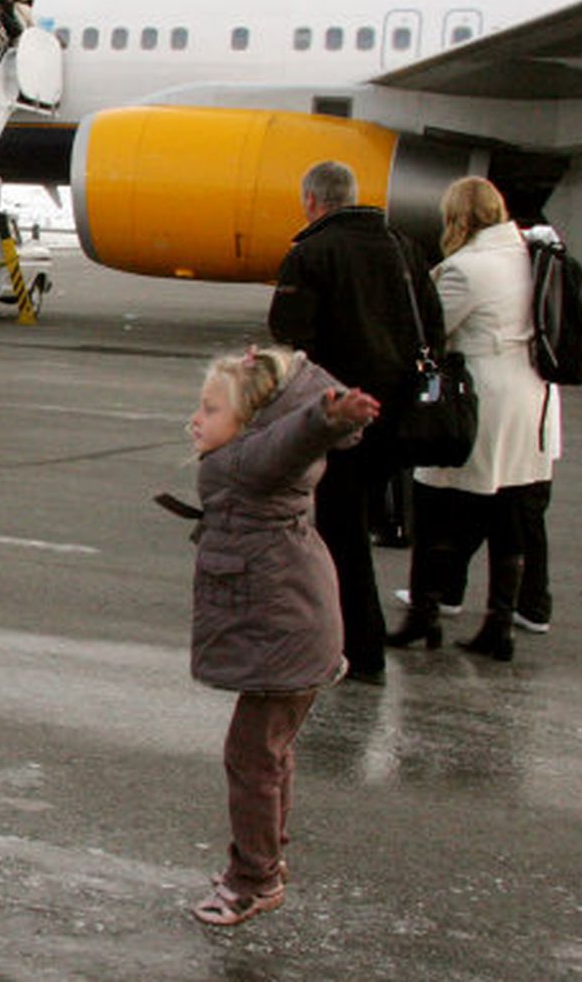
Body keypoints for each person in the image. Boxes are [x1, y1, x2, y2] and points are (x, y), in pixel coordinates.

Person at [184, 346, 379, 927]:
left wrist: (323, 419)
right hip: (294, 625)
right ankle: (265, 860)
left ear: (249, 425)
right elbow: (285, 435)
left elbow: (287, 441)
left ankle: (255, 878)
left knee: (252, 757)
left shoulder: (255, 459)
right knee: (267, 753)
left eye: (211, 409)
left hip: (287, 631)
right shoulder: (249, 457)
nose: (197, 419)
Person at [267, 160, 440, 685]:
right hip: (400, 411)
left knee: (339, 534)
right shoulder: (404, 247)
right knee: (378, 520)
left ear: (313, 202)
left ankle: (358, 650)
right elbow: (433, 324)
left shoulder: (311, 254)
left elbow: (290, 337)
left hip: (339, 414)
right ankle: (415, 617)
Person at [387, 177, 559, 662]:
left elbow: (430, 331)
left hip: (480, 396)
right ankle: (499, 622)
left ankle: (425, 612)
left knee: (435, 496)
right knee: (510, 509)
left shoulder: (467, 269)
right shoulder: (530, 255)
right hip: (529, 397)